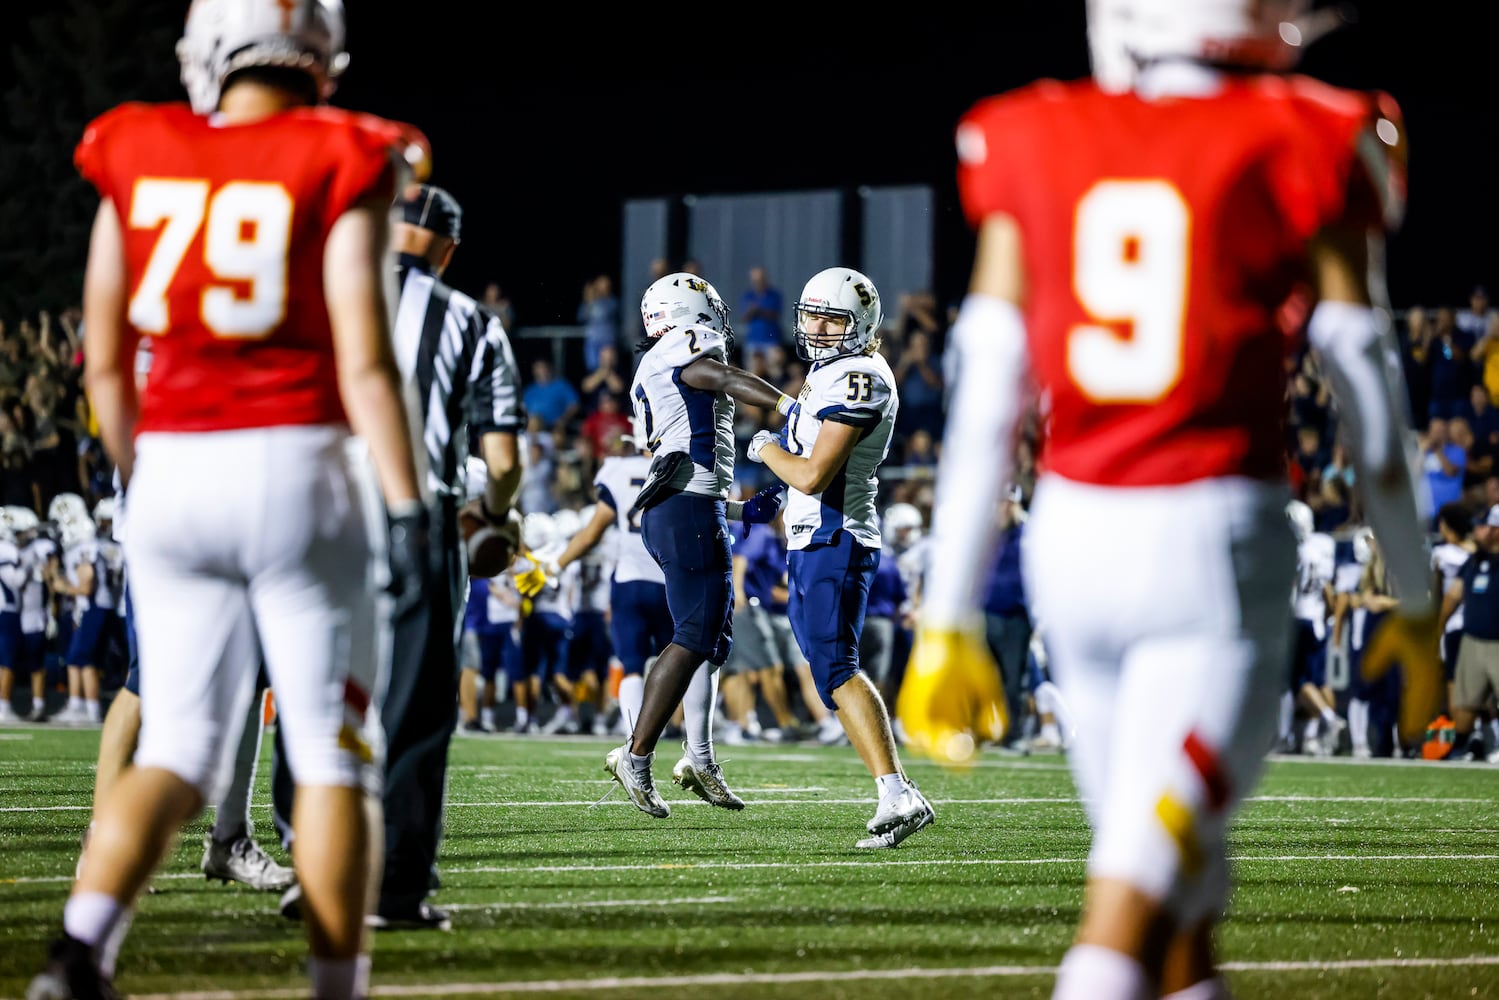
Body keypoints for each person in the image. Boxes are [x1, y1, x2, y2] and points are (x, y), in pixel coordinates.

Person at [899, 3, 1439, 997]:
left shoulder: (1030, 127)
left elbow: (985, 393)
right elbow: (1366, 390)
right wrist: (1411, 596)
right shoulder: (1311, 129)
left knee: (1182, 912)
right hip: (1209, 551)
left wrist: (944, 616)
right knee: (1125, 907)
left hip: (1072, 539)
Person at [31, 3, 432, 999]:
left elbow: (106, 360)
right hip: (301, 468)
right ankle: (336, 983)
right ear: (323, 54)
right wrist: (410, 504)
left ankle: (81, 948)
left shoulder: (137, 145)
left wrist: (145, 474)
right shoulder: (346, 150)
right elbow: (367, 358)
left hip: (171, 469)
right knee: (337, 751)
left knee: (176, 744)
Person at [364, 181, 525, 930]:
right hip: (417, 519)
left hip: (322, 515)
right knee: (419, 706)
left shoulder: (328, 291)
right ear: (449, 250)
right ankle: (394, 888)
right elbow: (500, 461)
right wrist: (494, 517)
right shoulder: (468, 321)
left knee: (315, 690)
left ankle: (309, 860)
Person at [749, 266, 933, 849]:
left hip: (838, 537)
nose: (819, 328)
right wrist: (764, 497)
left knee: (837, 667)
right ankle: (895, 790)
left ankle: (897, 791)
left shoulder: (859, 377)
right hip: (811, 538)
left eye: (833, 318)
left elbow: (812, 472)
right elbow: (801, 468)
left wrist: (763, 447)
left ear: (863, 326)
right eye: (812, 315)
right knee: (829, 672)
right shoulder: (827, 372)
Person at [600, 272, 793, 817]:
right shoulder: (686, 354)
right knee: (692, 635)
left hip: (692, 505)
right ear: (688, 311)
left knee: (712, 639)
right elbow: (718, 374)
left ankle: (699, 757)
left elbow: (686, 454)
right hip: (684, 511)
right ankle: (636, 756)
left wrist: (735, 508)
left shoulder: (658, 367)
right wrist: (786, 405)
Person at [738, 267, 785, 371]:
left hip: (771, 340)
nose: (758, 283)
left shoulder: (774, 295)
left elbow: (776, 315)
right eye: (756, 281)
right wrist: (752, 310)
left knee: (775, 370)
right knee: (753, 372)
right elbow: (744, 318)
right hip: (753, 341)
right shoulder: (748, 296)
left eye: (761, 280)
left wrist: (759, 310)